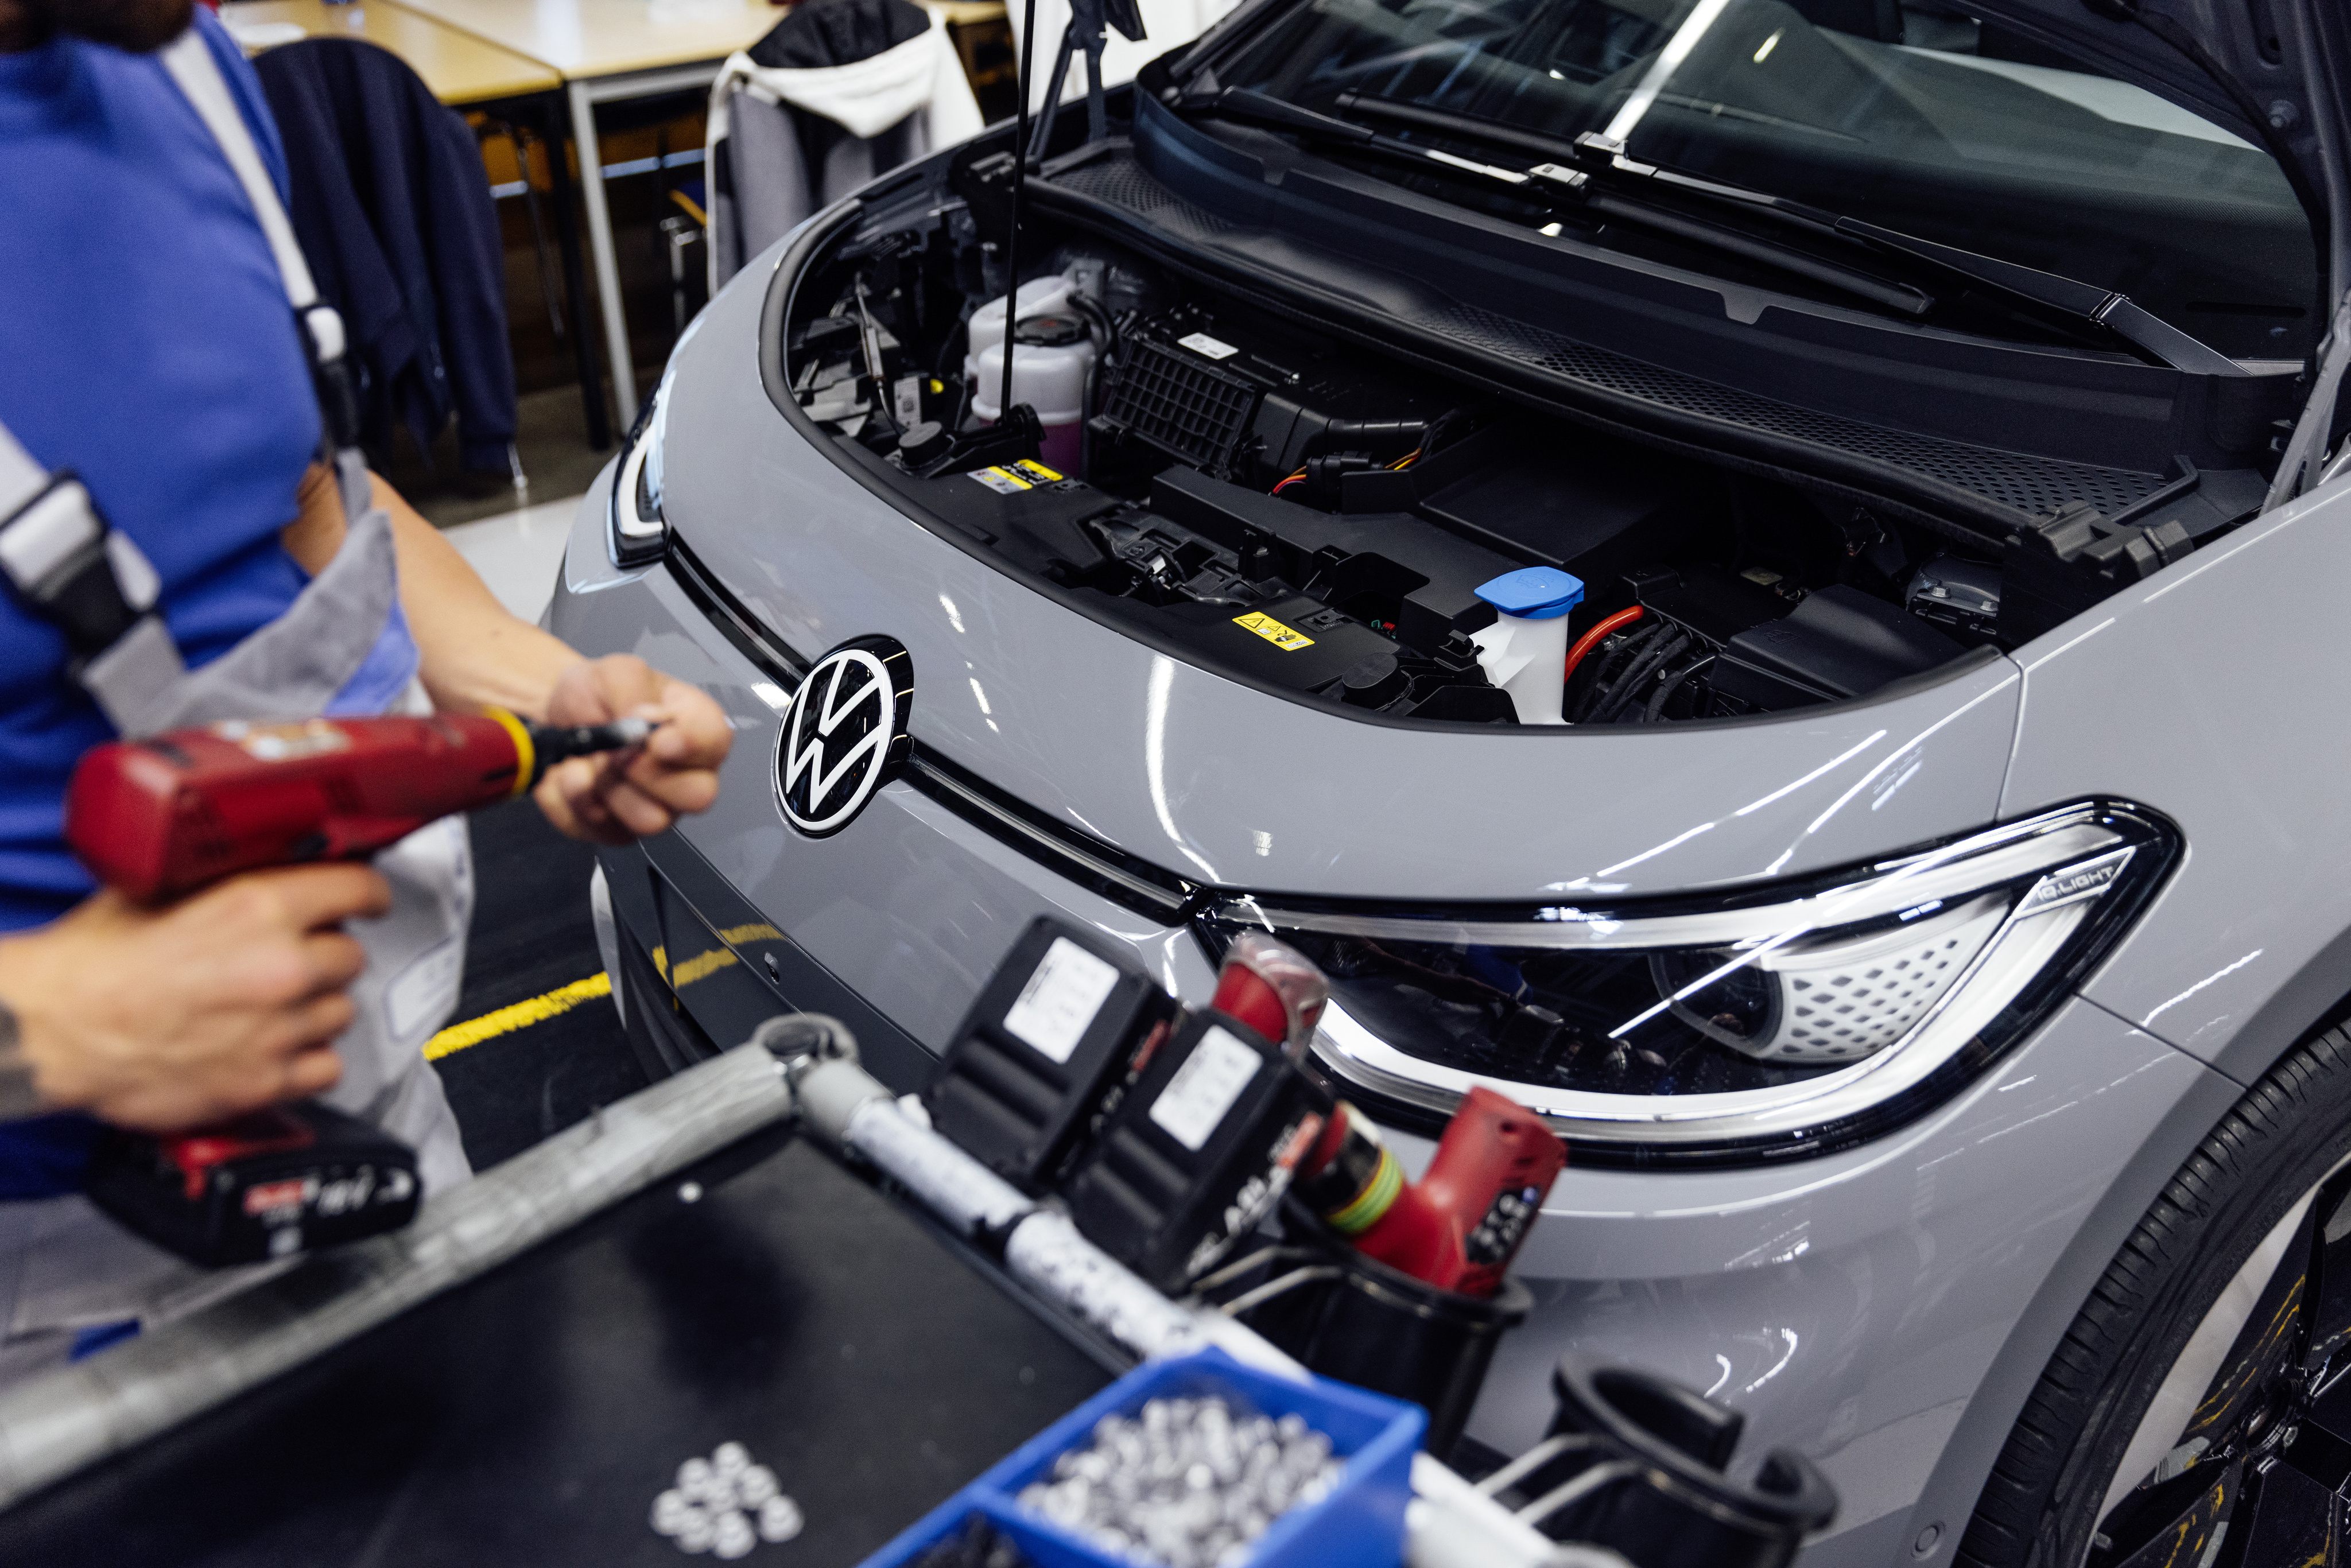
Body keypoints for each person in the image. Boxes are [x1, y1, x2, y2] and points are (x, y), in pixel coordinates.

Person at [0, 0, 733, 1372]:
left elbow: (309, 504)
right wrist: (42, 1027)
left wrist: (550, 695)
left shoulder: (182, 70)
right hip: (43, 1280)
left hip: (368, 1125)